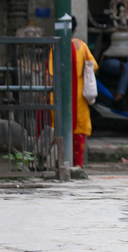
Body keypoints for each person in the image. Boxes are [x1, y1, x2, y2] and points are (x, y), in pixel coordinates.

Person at [49, 16, 98, 167]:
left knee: (57, 128)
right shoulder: (82, 46)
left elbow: (51, 73)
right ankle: (77, 166)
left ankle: (58, 164)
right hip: (78, 95)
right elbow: (93, 66)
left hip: (59, 95)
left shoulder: (56, 46)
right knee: (79, 130)